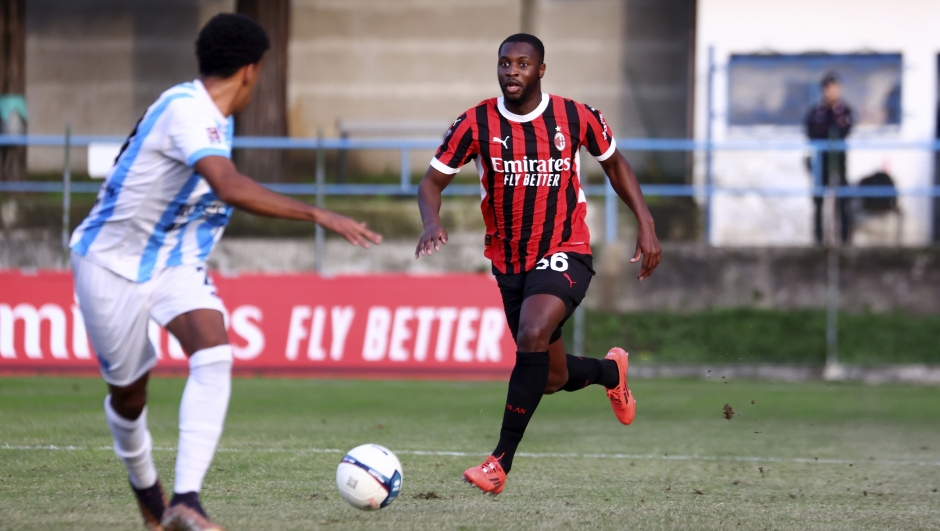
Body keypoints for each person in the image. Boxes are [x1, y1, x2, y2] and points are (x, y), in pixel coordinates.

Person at [70, 14, 381, 531]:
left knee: (213, 350)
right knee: (129, 394)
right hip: (110, 263)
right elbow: (229, 186)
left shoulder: (214, 115)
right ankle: (152, 499)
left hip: (173, 263)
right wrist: (318, 213)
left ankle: (187, 500)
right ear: (251, 71)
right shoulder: (187, 110)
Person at [414, 33, 661, 495]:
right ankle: (611, 373)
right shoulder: (474, 123)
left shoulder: (576, 116)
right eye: (505, 63)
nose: (512, 72)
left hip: (566, 247)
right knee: (550, 376)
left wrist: (645, 222)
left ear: (541, 70)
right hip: (510, 261)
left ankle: (498, 462)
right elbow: (430, 183)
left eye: (522, 64)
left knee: (530, 334)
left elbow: (615, 164)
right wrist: (432, 221)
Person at [806, 72, 854, 244]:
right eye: (828, 89)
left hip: (839, 160)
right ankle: (818, 240)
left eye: (834, 88)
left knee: (842, 199)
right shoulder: (817, 111)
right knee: (819, 200)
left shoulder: (844, 110)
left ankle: (844, 239)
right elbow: (812, 131)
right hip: (821, 160)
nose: (831, 92)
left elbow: (844, 130)